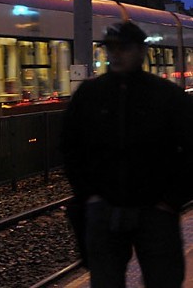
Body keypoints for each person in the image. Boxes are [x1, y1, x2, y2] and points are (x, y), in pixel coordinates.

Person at [61, 21, 193, 288]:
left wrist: (171, 199)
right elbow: (69, 147)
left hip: (152, 209)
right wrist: (89, 194)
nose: (116, 54)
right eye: (111, 48)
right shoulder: (93, 94)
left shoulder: (165, 96)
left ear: (141, 51)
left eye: (124, 48)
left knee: (157, 279)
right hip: (116, 208)